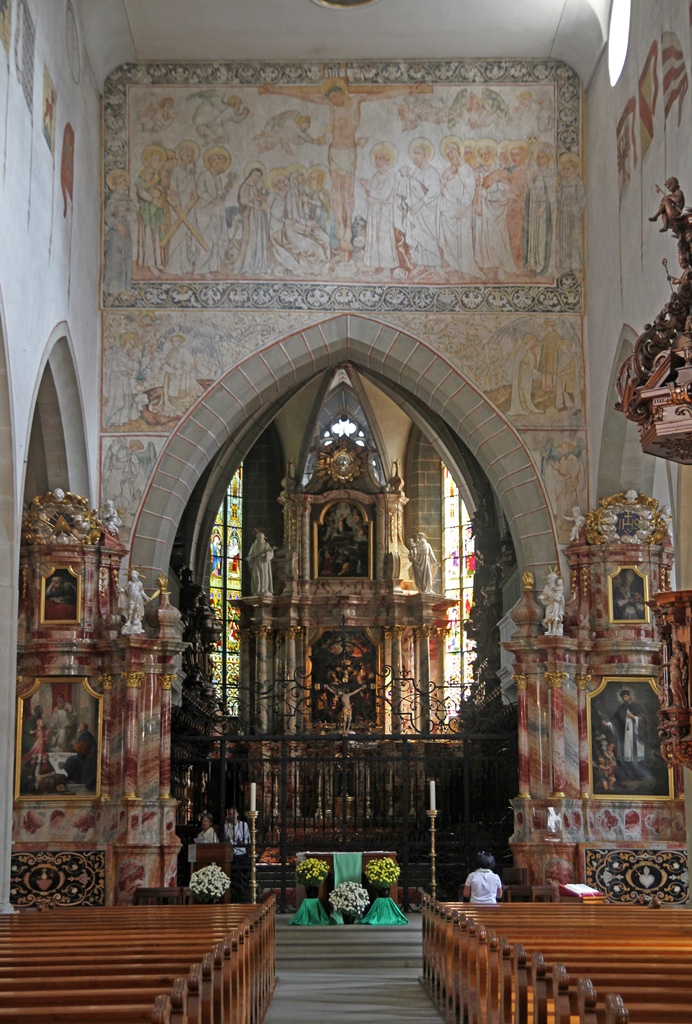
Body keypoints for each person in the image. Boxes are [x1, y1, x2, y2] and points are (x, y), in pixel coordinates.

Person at [601, 688, 648, 779]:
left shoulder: (637, 706)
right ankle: (628, 776)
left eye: (625, 697)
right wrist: (608, 723)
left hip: (636, 735)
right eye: (623, 697)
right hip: (625, 736)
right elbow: (615, 721)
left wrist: (634, 717)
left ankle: (639, 775)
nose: (624, 699)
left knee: (636, 754)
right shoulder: (621, 708)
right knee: (626, 755)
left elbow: (644, 718)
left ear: (629, 696)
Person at [225, 807, 251, 901]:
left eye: (233, 813)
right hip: (230, 855)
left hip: (241, 854)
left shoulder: (243, 825)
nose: (232, 816)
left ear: (237, 814)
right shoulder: (226, 826)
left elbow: (247, 839)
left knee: (239, 874)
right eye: (230, 814)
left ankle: (240, 894)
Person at [247, 529, 275, 596]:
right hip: (256, 563)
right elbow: (250, 555)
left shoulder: (266, 544)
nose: (260, 539)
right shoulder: (254, 545)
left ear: (264, 537)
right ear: (257, 537)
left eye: (261, 537)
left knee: (264, 575)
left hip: (264, 564)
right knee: (256, 575)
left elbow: (270, 553)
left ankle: (264, 589)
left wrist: (266, 555)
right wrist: (251, 558)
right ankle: (257, 589)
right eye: (259, 537)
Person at [539, 570, 565, 636]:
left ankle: (553, 630)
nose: (551, 581)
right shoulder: (546, 587)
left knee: (555, 617)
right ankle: (549, 630)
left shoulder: (558, 589)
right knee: (549, 617)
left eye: (553, 580)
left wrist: (557, 598)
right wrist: (543, 597)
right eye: (550, 580)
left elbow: (561, 599)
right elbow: (545, 595)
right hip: (549, 605)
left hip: (556, 605)